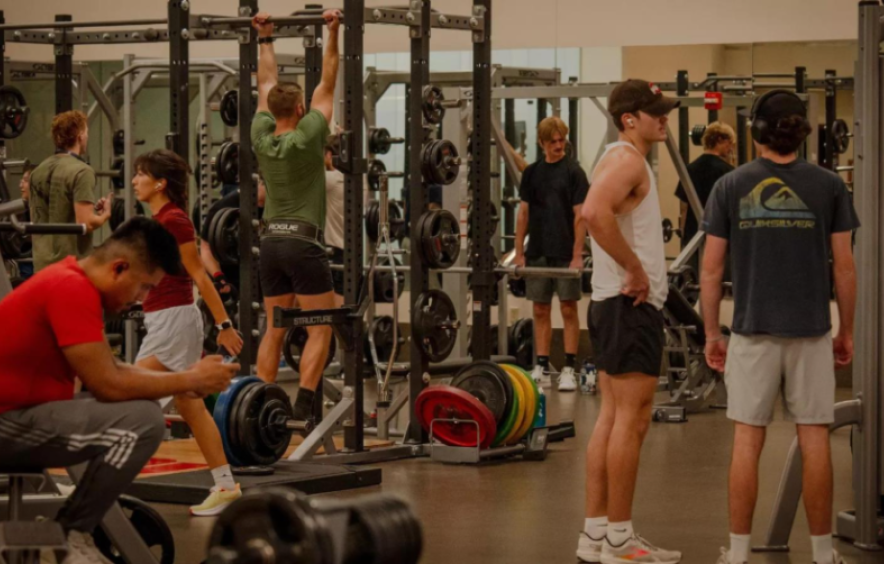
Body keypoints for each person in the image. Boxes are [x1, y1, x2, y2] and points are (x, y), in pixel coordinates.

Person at [0, 217, 238, 564]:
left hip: (18, 415)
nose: (141, 299)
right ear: (119, 268)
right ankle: (73, 531)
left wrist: (184, 378)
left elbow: (108, 370)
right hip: (7, 423)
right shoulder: (71, 288)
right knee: (142, 423)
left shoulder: (71, 282)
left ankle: (74, 525)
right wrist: (190, 381)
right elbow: (107, 384)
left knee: (140, 409)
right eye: (143, 287)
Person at [702, 90, 858, 564]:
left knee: (748, 440)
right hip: (811, 331)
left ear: (756, 132)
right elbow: (844, 267)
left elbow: (711, 270)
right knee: (814, 439)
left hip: (751, 331)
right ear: (801, 131)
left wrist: (712, 334)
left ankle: (740, 554)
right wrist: (845, 330)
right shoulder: (829, 185)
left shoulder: (730, 186)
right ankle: (823, 552)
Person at [578, 79, 681, 564]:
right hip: (629, 307)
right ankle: (620, 540)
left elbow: (592, 214)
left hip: (610, 305)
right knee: (631, 422)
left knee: (612, 418)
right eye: (654, 111)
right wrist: (637, 269)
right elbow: (593, 213)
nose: (664, 118)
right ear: (629, 120)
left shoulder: (617, 159)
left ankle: (596, 534)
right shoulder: (627, 160)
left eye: (664, 110)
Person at [132, 149, 245, 516]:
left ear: (160, 183)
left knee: (128, 399)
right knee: (191, 406)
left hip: (174, 322)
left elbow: (199, 274)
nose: (134, 180)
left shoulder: (175, 220)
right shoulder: (161, 219)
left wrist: (224, 325)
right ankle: (226, 486)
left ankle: (94, 483)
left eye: (140, 174)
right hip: (164, 318)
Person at [250, 9, 340, 422]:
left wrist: (265, 37)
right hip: (304, 245)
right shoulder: (308, 137)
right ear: (301, 107)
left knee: (275, 327)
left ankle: (260, 408)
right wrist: (332, 31)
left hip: (269, 244)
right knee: (320, 327)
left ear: (270, 110)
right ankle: (304, 403)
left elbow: (266, 81)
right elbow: (329, 78)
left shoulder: (260, 135)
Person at [513, 116, 589, 392]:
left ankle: (569, 367)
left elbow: (581, 216)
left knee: (569, 308)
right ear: (542, 143)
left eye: (562, 140)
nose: (559, 146)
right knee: (540, 309)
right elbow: (523, 214)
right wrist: (519, 253)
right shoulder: (531, 173)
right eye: (553, 141)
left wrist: (578, 255)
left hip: (566, 252)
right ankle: (541, 366)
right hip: (538, 252)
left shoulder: (574, 172)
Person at [29, 110, 113, 271]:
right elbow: (85, 223)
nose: (87, 137)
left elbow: (44, 215)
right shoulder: (82, 171)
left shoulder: (37, 171)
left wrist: (90, 209)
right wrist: (104, 216)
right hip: (71, 267)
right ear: (80, 136)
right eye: (87, 132)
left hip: (41, 265)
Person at [675, 122, 735, 268]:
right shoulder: (728, 172)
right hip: (719, 234)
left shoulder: (689, 169)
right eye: (730, 143)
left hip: (693, 236)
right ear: (720, 140)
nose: (731, 148)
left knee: (693, 280)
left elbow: (684, 206)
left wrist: (684, 235)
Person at [195, 178, 267, 295]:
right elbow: (205, 246)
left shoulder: (276, 206)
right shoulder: (225, 206)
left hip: (260, 277)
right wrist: (218, 276)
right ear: (258, 183)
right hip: (230, 276)